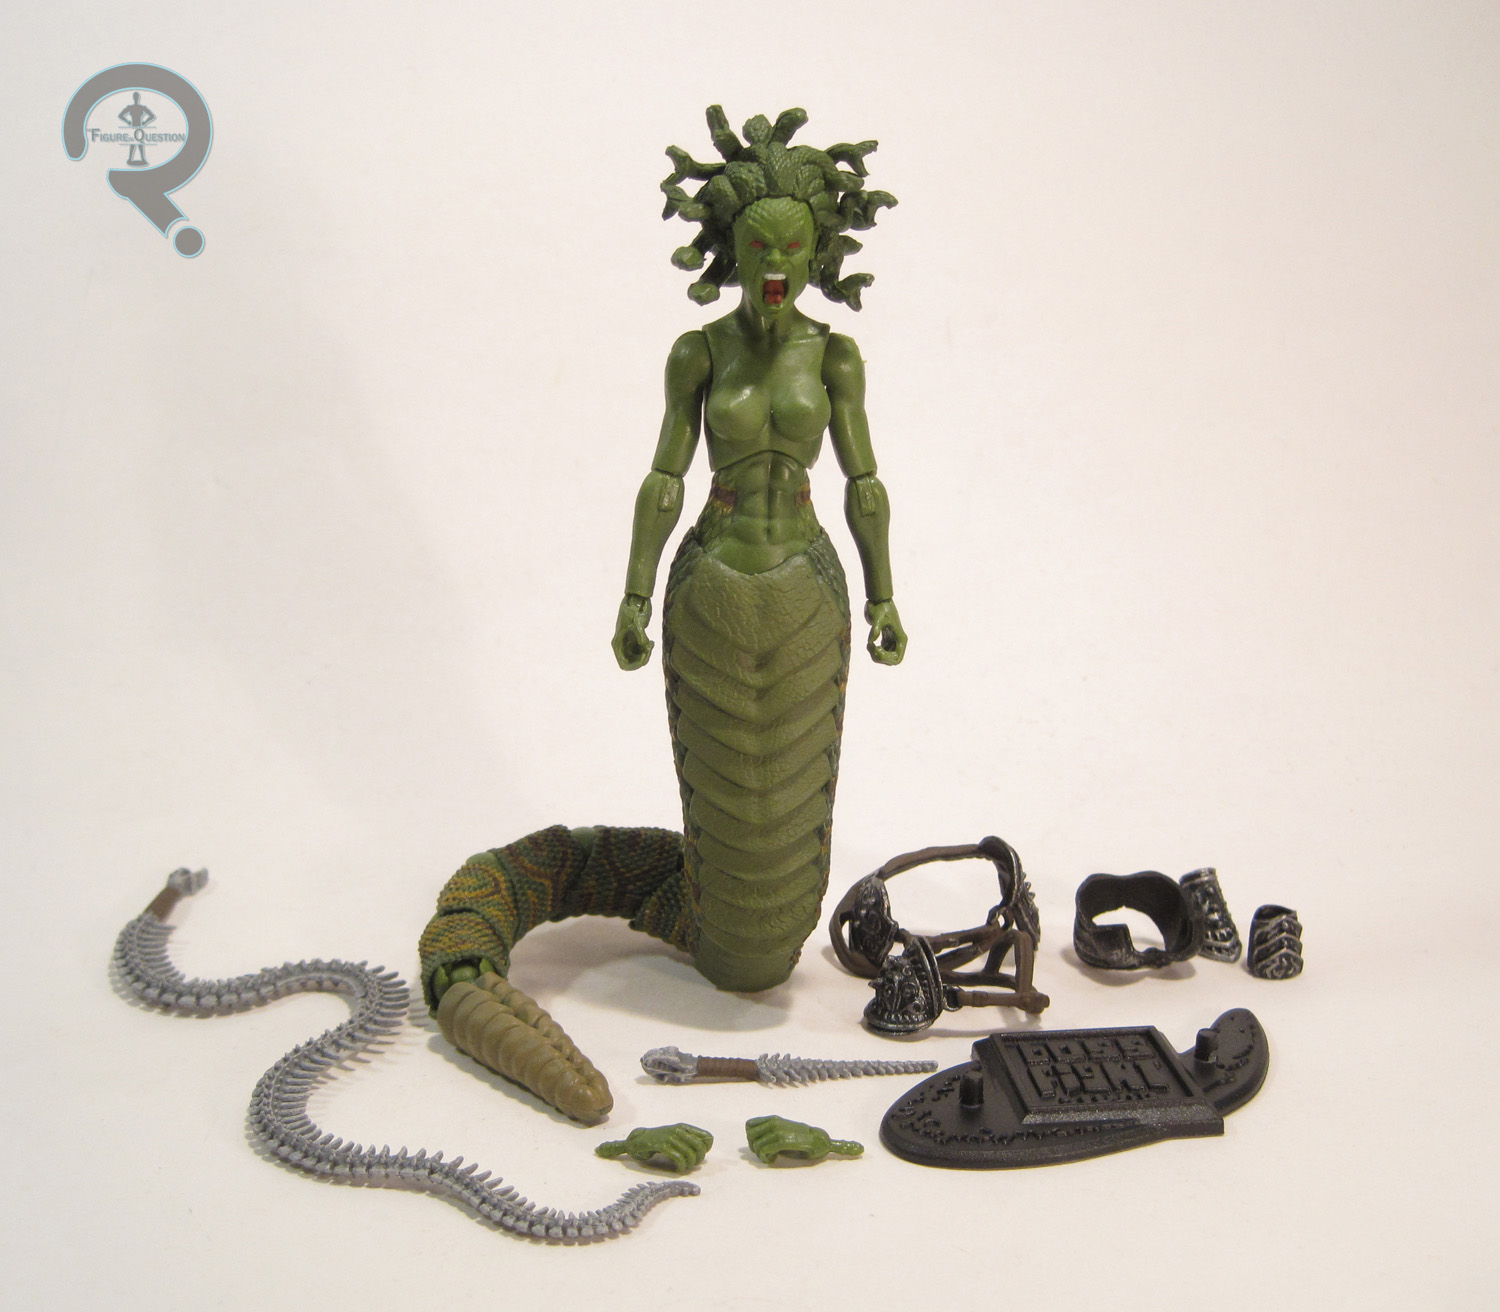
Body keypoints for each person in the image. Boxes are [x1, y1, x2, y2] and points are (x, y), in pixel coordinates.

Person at [611, 105, 905, 992]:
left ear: (818, 253)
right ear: (731, 251)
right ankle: (716, 925)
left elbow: (864, 482)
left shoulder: (834, 357)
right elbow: (665, 478)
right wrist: (634, 594)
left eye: (792, 247)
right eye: (758, 246)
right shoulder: (698, 353)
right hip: (712, 571)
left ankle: (776, 932)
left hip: (809, 579)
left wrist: (884, 595)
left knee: (793, 777)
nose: (775, 265)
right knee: (723, 771)